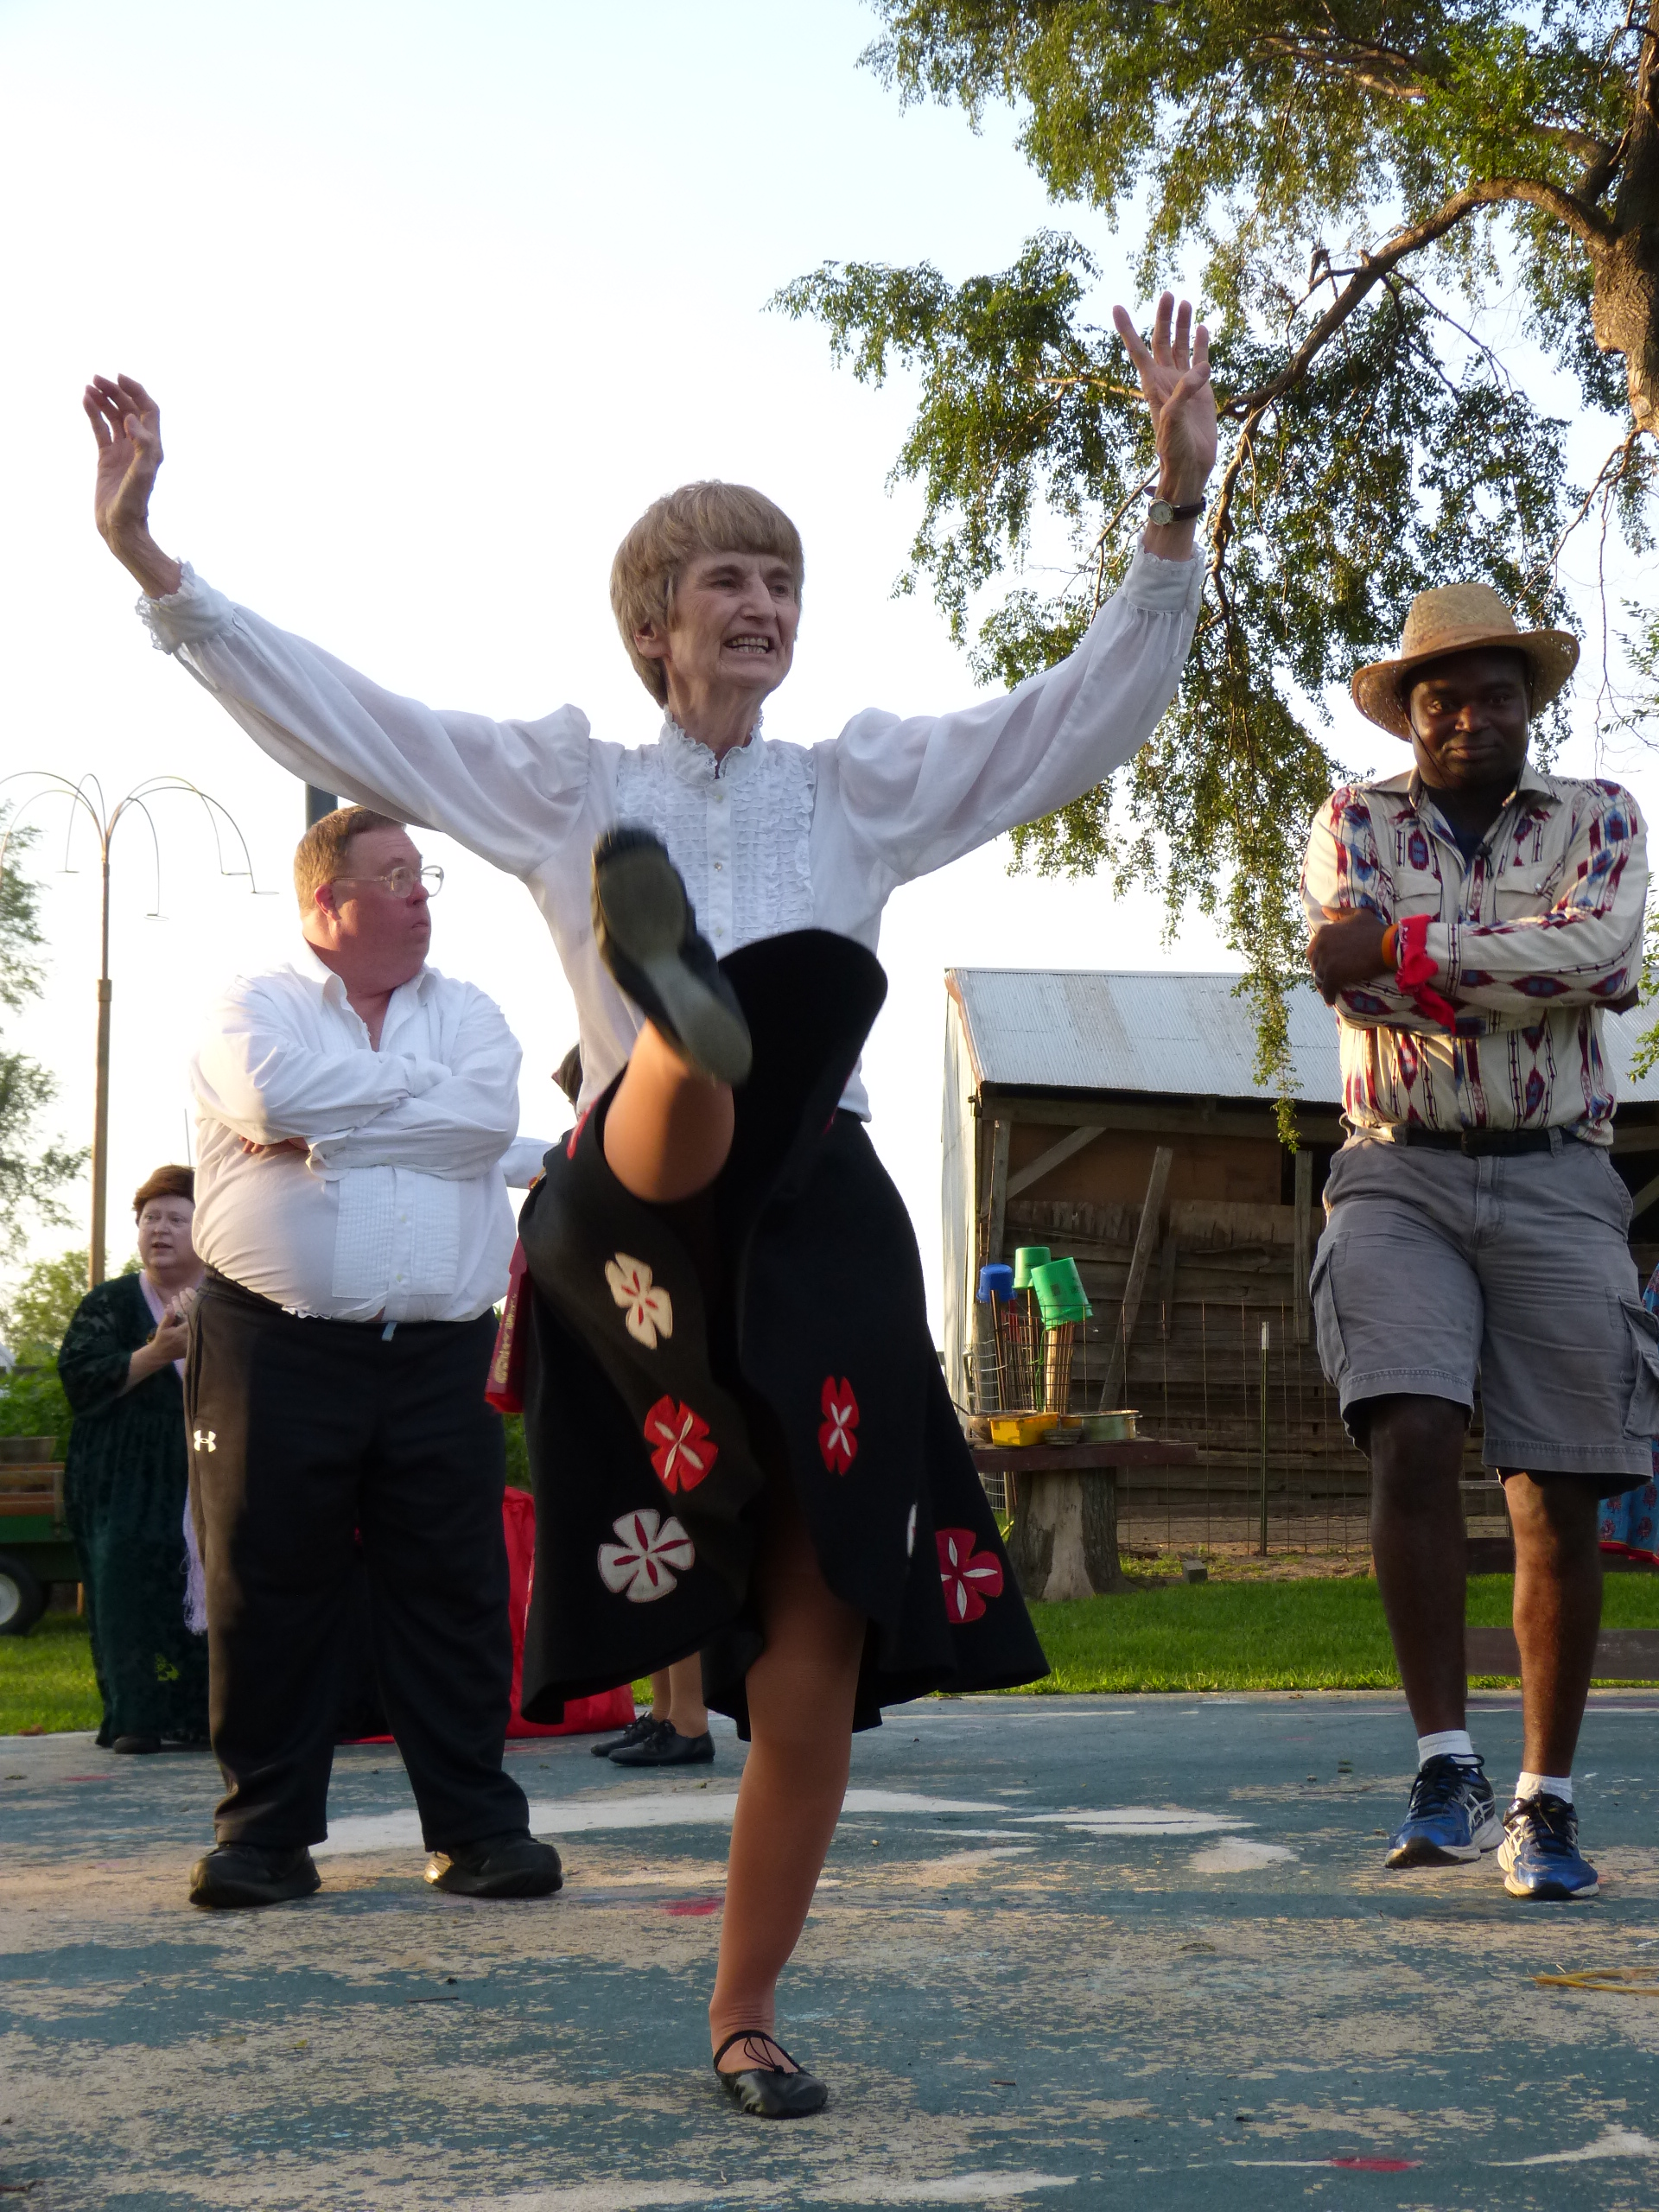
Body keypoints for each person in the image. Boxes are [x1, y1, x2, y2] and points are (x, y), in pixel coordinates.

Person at [85, 294, 1216, 2105]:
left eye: (781, 577)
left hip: (818, 1229)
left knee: (818, 1645)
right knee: (676, 1091)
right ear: (650, 624)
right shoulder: (567, 783)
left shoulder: (859, 789)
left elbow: (1075, 724)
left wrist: (1172, 517)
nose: (760, 605)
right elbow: (350, 705)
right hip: (634, 1222)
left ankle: (745, 2012)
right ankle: (687, 1016)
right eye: (724, 582)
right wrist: (159, 567)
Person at [1303, 582, 1652, 1903]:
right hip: (1396, 1171)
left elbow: (1604, 955)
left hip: (1561, 1171)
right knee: (1411, 1432)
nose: (1469, 716)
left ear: (1528, 703)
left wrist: (1406, 947)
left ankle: (1545, 1801)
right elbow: (1349, 970)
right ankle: (1443, 1761)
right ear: (1411, 711)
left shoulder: (1601, 814)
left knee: (1558, 1486)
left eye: (1495, 693)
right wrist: (1510, 958)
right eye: (1443, 696)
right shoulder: (1355, 820)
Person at [176, 804, 561, 1910]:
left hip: (441, 1352)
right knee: (269, 1586)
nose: (420, 895)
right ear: (324, 902)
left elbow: (486, 1126)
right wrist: (401, 1112)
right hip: (271, 1346)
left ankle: (479, 1830)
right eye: (395, 876)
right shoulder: (249, 1007)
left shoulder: (473, 1013)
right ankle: (263, 1837)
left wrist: (325, 1130)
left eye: (424, 874)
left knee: (453, 1586)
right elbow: (266, 1095)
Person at [58, 1166, 209, 1753]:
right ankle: (135, 1717)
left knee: (207, 1584)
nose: (161, 1230)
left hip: (205, 1463)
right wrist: (155, 1354)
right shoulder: (111, 1303)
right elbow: (81, 1381)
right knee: (123, 1581)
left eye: (176, 1218)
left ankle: (204, 1716)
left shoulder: (233, 1298)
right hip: (119, 1475)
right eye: (151, 1219)